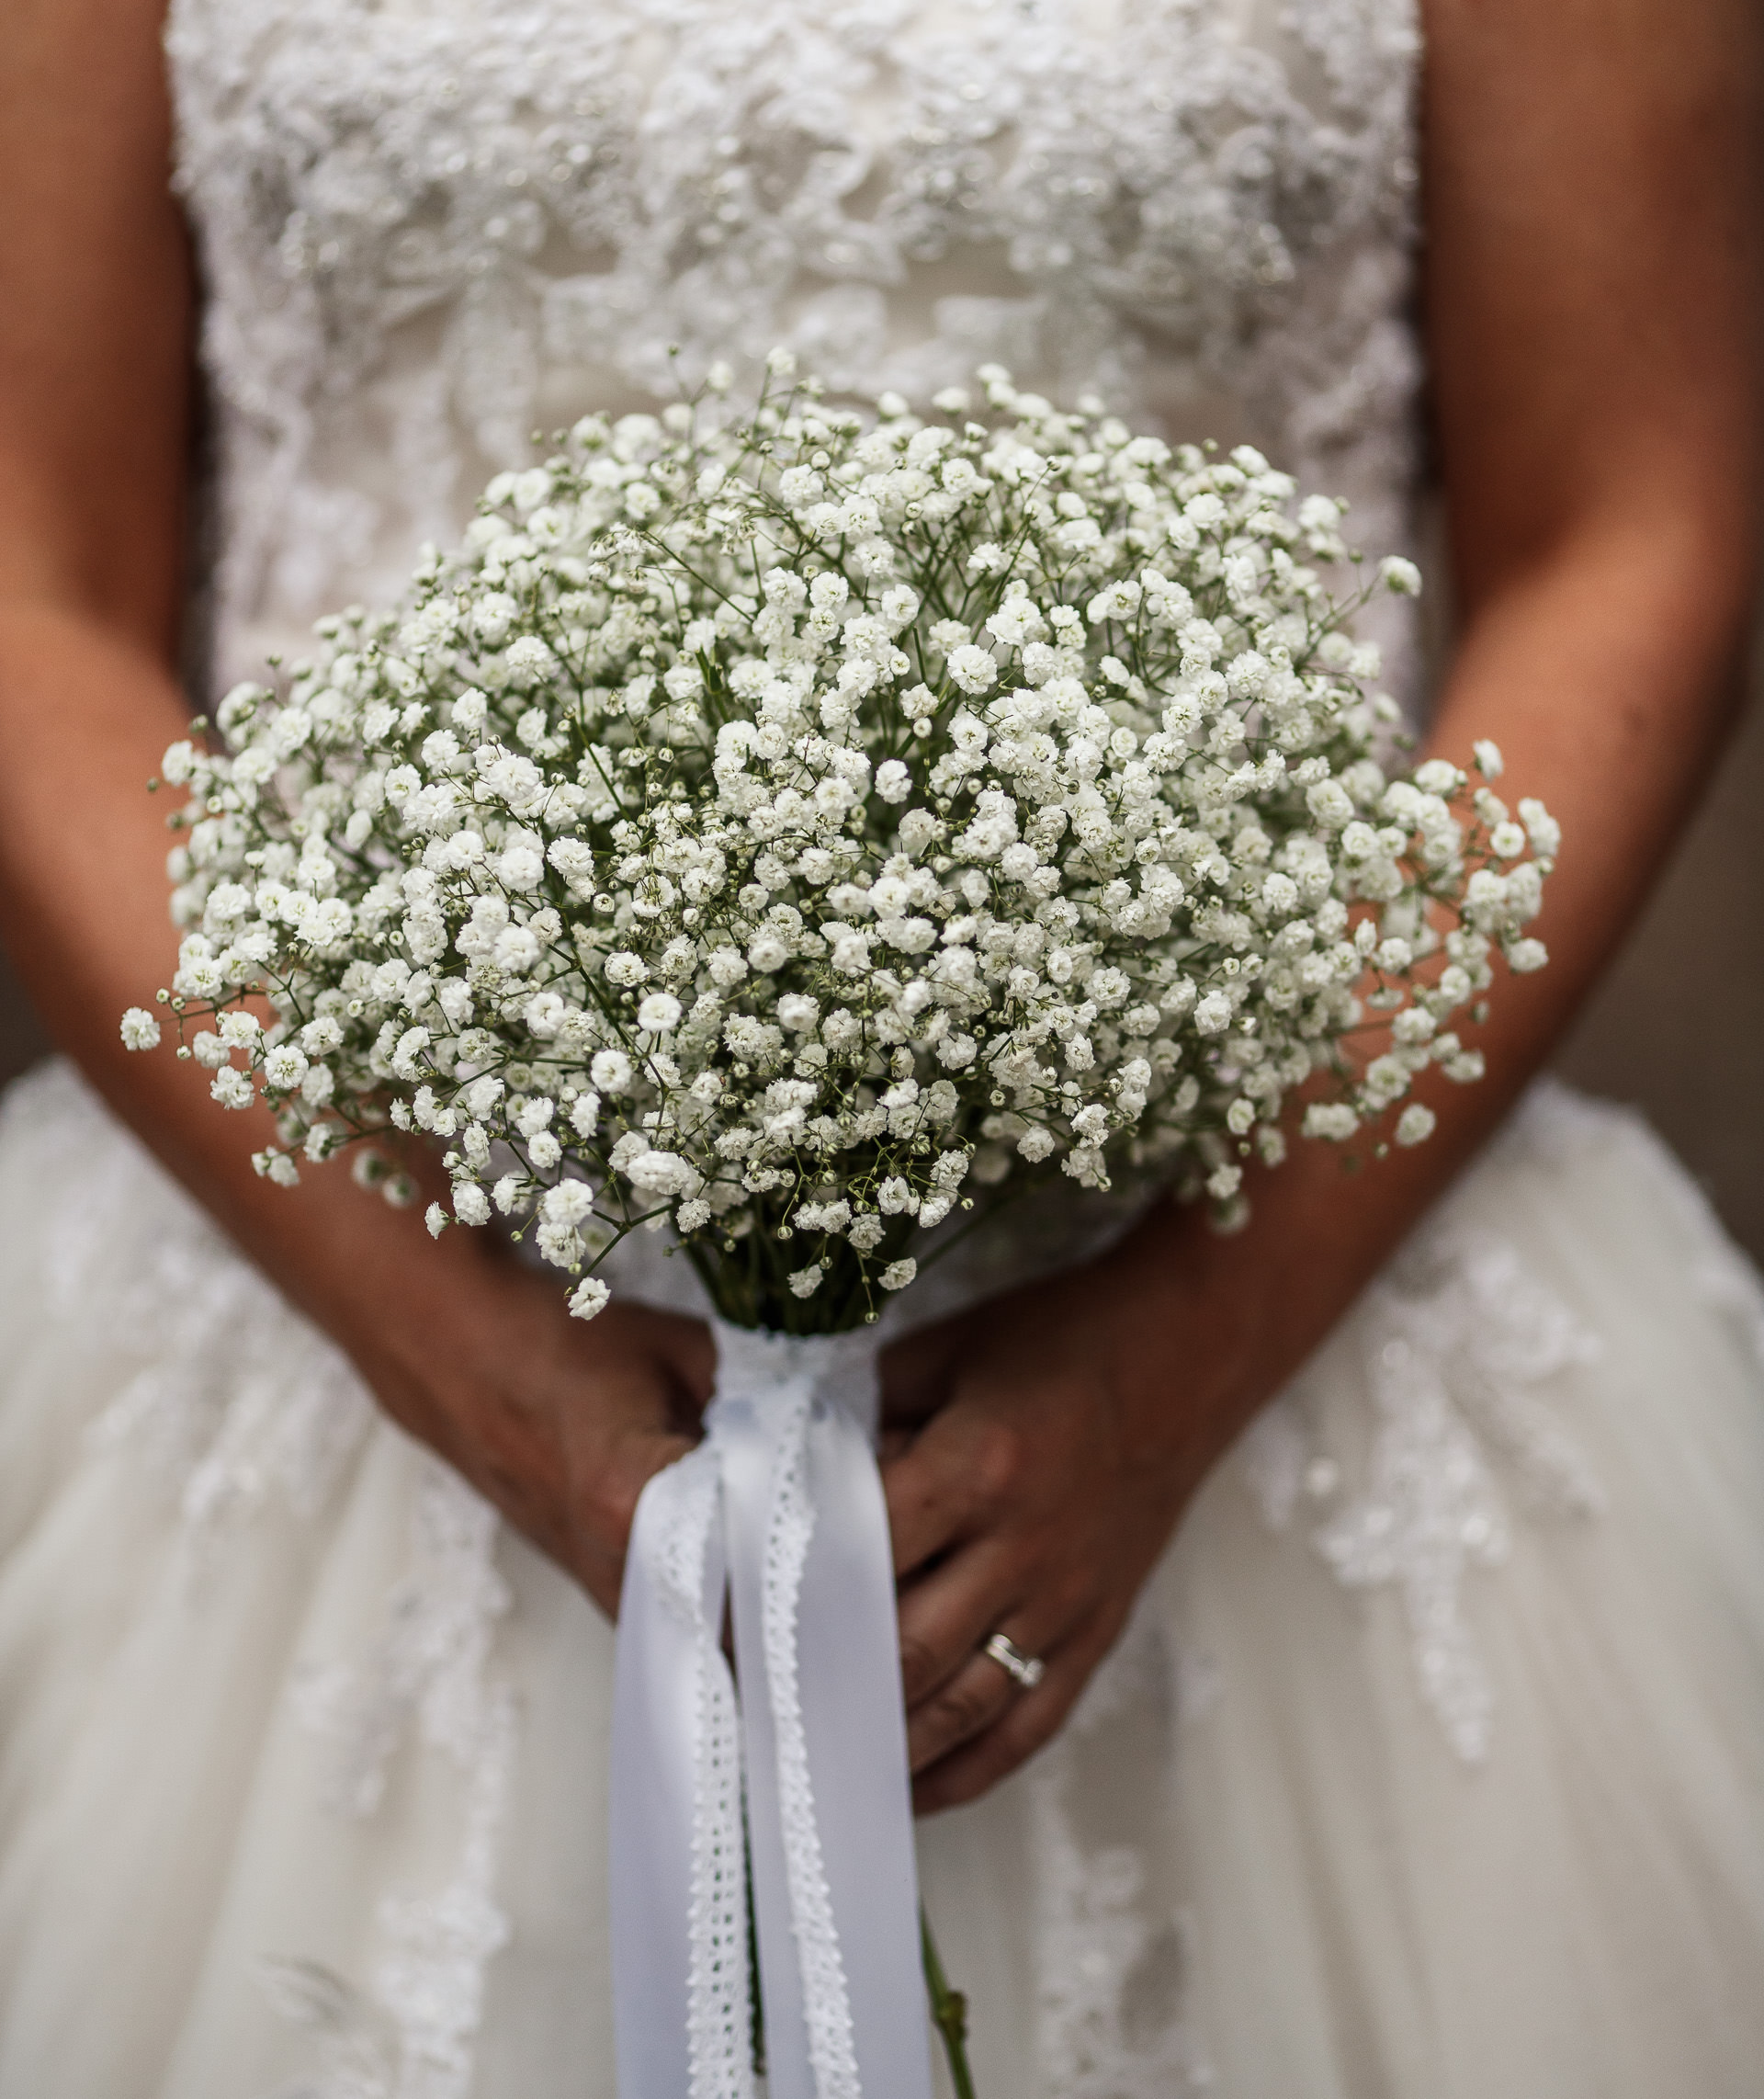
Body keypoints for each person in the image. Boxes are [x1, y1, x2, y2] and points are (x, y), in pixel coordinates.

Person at [1, 0, 1761, 2091]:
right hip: (327, 1294)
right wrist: (457, 1340)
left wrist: (1188, 1343)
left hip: (1280, 1301)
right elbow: (35, 588)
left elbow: (1630, 527)